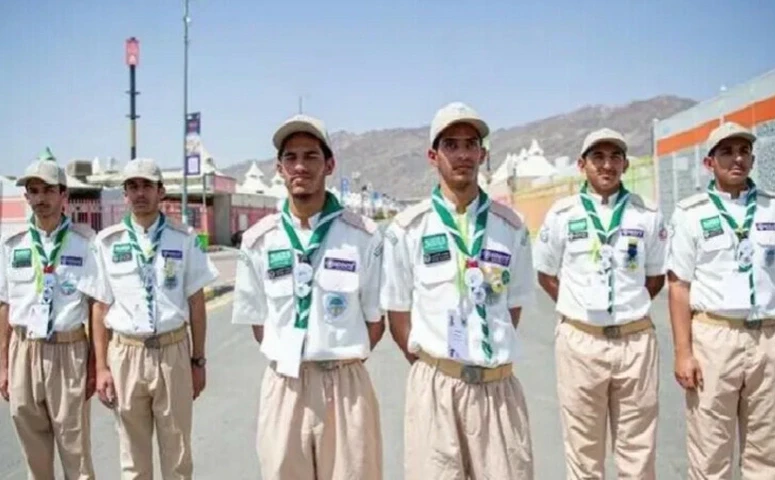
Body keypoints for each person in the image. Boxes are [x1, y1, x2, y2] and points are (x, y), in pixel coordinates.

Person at [381, 102, 535, 479]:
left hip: (497, 390)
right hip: (436, 388)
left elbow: (512, 307)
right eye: (451, 144)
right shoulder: (407, 229)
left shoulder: (511, 227)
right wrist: (436, 365)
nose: (463, 154)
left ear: (483, 154)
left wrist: (485, 354)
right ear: (433, 156)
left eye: (471, 144)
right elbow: (398, 313)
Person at [231, 114, 384, 479]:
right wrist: (291, 356)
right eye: (291, 157)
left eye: (311, 156)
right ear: (279, 168)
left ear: (329, 164)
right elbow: (258, 322)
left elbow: (375, 321)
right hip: (285, 385)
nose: (300, 166)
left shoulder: (363, 236)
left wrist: (335, 356)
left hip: (345, 385)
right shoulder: (258, 241)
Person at [666, 121, 775, 479]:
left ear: (753, 159)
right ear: (710, 163)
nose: (736, 159)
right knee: (710, 454)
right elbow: (678, 286)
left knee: (769, 454)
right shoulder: (691, 213)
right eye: (726, 152)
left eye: (743, 151)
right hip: (715, 340)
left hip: (771, 339)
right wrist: (683, 352)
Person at [533, 128, 667, 479]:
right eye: (598, 157)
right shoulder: (562, 215)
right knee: (583, 450)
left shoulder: (646, 215)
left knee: (637, 450)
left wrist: (625, 310)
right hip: (580, 342)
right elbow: (546, 275)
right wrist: (579, 312)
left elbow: (655, 279)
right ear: (582, 164)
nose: (607, 165)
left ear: (625, 164)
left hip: (635, 342)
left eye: (614, 157)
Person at [91, 158, 219, 480]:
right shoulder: (107, 243)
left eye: (147, 185)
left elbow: (196, 302)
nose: (140, 193)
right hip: (126, 354)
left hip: (172, 352)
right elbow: (99, 307)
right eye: (132, 187)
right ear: (124, 195)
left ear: (161, 191)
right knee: (132, 458)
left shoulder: (184, 238)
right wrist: (102, 367)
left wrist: (198, 360)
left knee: (176, 454)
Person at [0, 152, 98, 480]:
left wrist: (98, 363)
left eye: (47, 190)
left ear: (63, 195)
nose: (39, 199)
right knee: (35, 459)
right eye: (33, 191)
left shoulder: (86, 243)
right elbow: (4, 306)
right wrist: (2, 364)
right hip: (23, 351)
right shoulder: (12, 245)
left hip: (68, 352)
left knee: (76, 455)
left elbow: (96, 306)